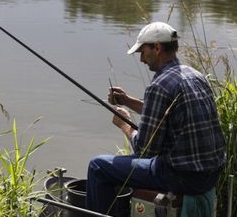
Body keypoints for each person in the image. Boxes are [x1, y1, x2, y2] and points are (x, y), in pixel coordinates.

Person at [85, 22, 226, 216]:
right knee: (116, 165)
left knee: (98, 166)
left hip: (182, 177)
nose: (142, 59)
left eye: (143, 51)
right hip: (211, 175)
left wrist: (125, 123)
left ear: (157, 48)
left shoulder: (159, 86)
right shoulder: (195, 76)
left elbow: (145, 150)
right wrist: (127, 101)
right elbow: (167, 111)